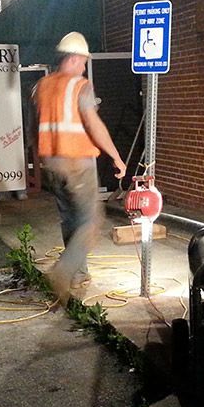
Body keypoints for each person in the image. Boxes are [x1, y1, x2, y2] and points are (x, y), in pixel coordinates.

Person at [34, 31, 127, 303]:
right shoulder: (79, 86)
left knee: (70, 220)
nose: (84, 66)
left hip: (51, 165)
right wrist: (116, 156)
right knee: (90, 220)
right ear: (73, 58)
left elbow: (33, 128)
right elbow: (93, 125)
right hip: (77, 163)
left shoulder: (42, 86)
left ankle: (78, 274)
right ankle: (63, 272)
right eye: (83, 60)